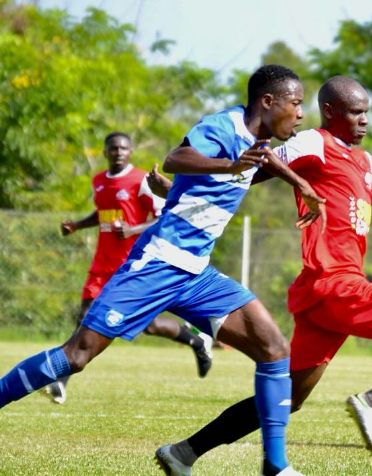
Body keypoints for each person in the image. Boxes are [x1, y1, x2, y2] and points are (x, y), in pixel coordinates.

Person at [155, 75, 372, 472]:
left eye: (367, 112)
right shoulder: (313, 142)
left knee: (289, 397)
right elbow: (255, 170)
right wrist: (180, 187)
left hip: (326, 296)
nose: (364, 120)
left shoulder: (365, 161)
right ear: (331, 112)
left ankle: (184, 452)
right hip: (335, 285)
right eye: (356, 112)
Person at [0, 64, 326, 476]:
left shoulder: (258, 142)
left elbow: (256, 165)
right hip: (158, 263)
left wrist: (303, 185)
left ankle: (275, 466)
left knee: (275, 349)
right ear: (268, 101)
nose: (300, 114)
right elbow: (176, 158)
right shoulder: (223, 126)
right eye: (296, 104)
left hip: (197, 273)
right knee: (77, 356)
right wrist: (228, 167)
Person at [42, 132, 213, 406]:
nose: (118, 152)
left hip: (133, 265)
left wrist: (132, 229)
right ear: (106, 151)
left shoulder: (141, 181)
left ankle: (196, 342)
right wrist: (76, 225)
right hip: (101, 265)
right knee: (85, 317)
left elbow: (165, 215)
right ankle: (61, 382)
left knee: (151, 325)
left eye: (123, 148)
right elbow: (103, 213)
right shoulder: (98, 181)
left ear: (130, 152)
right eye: (113, 148)